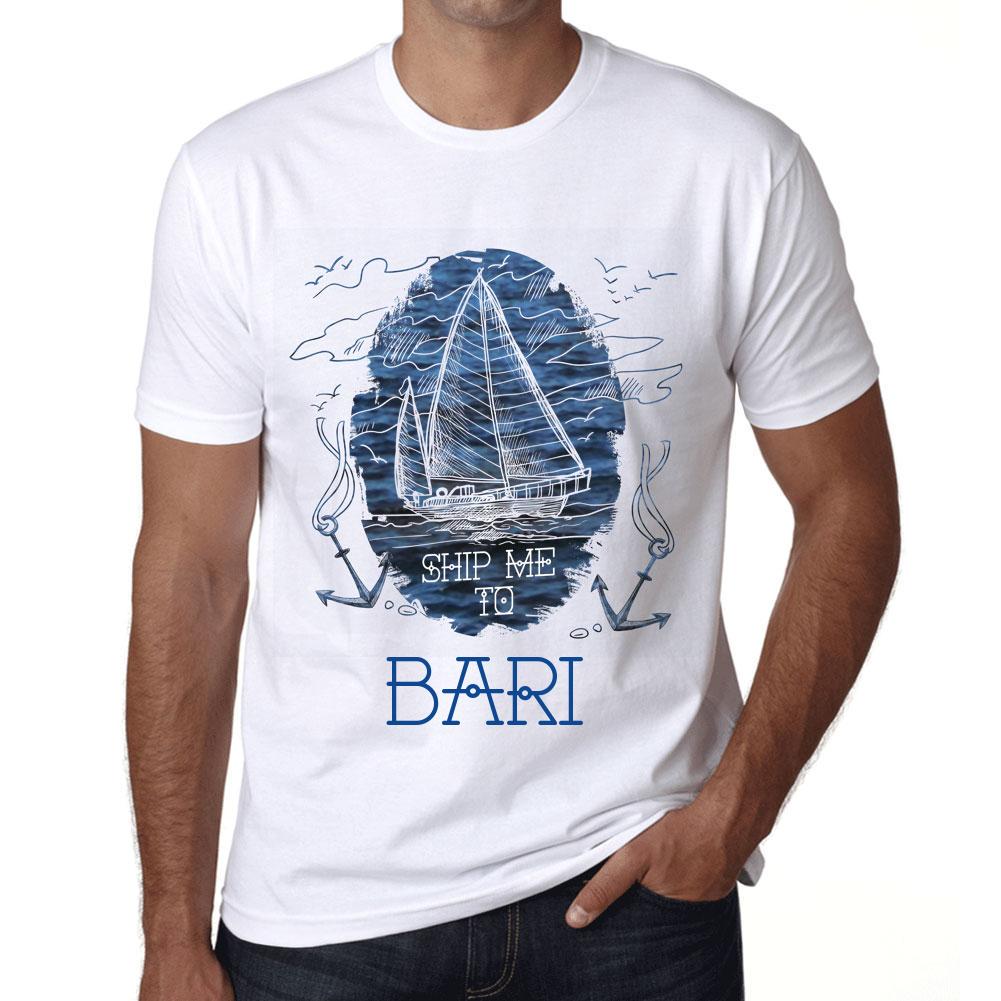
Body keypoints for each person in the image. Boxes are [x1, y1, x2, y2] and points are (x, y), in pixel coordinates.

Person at [127, 1, 900, 998]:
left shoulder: (734, 165)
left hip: (637, 906)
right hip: (323, 916)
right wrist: (171, 931)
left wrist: (733, 813)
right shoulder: (238, 178)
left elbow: (847, 498)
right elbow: (190, 568)